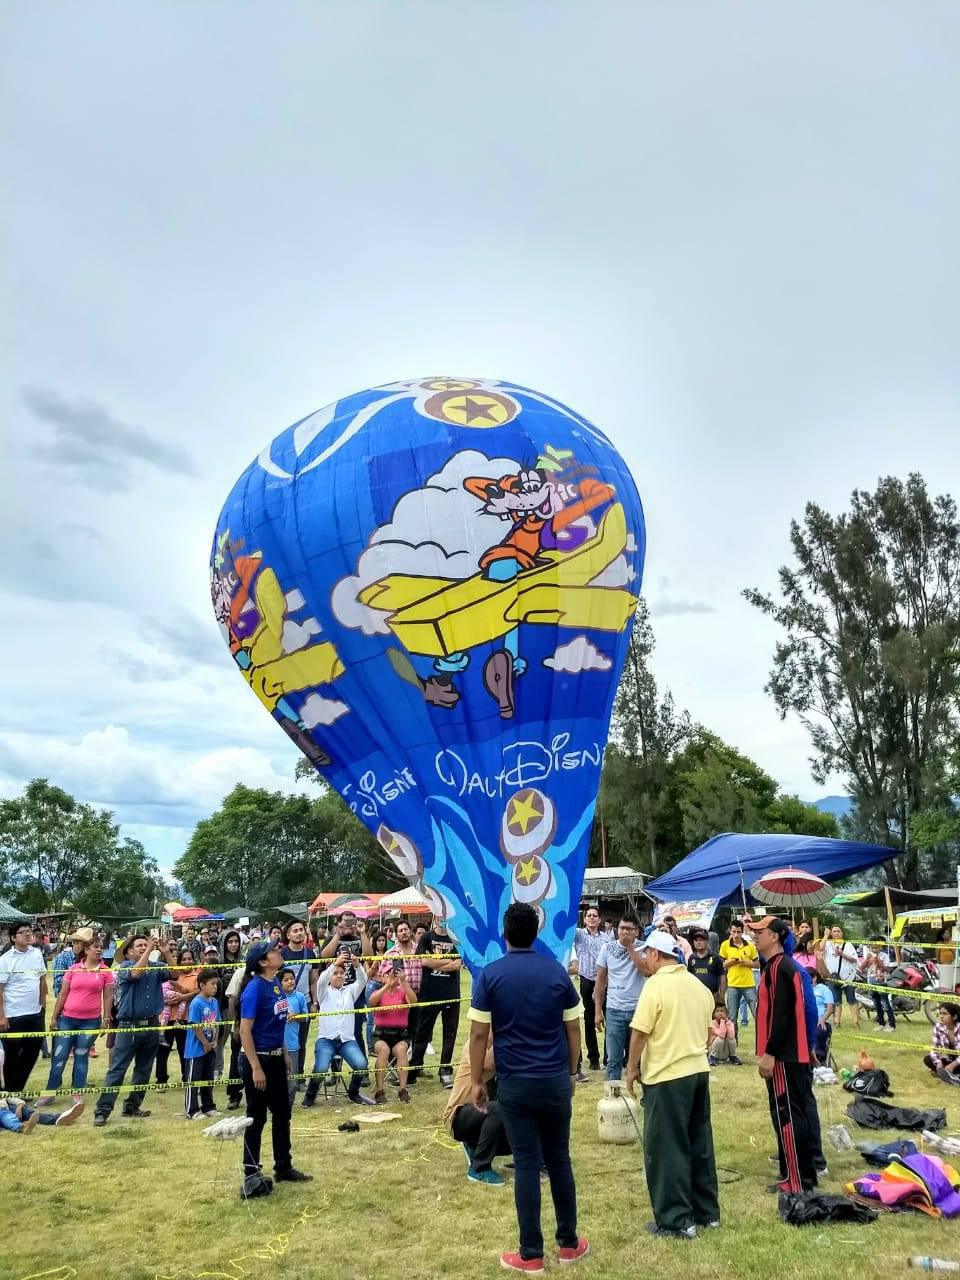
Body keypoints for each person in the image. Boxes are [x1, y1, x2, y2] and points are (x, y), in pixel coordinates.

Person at [468, 903, 587, 1273]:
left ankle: (530, 1254)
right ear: (536, 932)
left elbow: (477, 1034)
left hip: (515, 1083)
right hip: (553, 1081)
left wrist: (475, 1081)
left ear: (504, 933)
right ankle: (568, 1243)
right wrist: (571, 1071)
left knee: (526, 1164)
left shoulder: (490, 975)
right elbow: (573, 1031)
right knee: (560, 1160)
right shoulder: (556, 973)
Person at [625, 928, 718, 1239]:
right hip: (698, 1071)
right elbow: (709, 1034)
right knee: (699, 1142)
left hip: (666, 1077)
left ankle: (677, 1220)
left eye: (646, 954)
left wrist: (630, 1067)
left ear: (654, 954)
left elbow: (639, 1032)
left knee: (667, 1149)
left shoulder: (655, 986)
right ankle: (707, 1213)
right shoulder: (698, 985)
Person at [238, 941, 312, 1198]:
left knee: (282, 1113)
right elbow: (244, 1031)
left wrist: (283, 1052)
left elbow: (277, 1022)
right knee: (256, 1118)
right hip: (257, 1059)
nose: (278, 952)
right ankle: (251, 1173)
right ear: (262, 961)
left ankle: (283, 1166)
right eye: (273, 951)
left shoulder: (276, 985)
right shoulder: (254, 989)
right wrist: (256, 1067)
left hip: (276, 1058)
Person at [751, 914, 816, 1193]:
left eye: (759, 931)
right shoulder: (780, 966)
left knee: (787, 1116)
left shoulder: (780, 967)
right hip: (793, 1053)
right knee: (793, 1113)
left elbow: (781, 1015)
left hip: (784, 1056)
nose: (754, 936)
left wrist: (770, 1053)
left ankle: (796, 1179)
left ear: (775, 935)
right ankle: (800, 1175)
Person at [92, 935, 175, 1126]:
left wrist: (166, 953)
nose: (144, 947)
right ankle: (102, 1110)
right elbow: (137, 973)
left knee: (144, 1070)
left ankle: (132, 1106)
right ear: (129, 952)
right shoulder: (125, 967)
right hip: (129, 1026)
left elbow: (176, 974)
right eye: (139, 946)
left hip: (152, 1025)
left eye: (146, 945)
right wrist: (149, 951)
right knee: (117, 1070)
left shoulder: (155, 967)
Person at [39, 932, 114, 1103]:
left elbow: (108, 996)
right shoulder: (73, 969)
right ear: (86, 950)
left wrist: (106, 1019)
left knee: (81, 1056)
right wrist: (54, 1017)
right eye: (96, 947)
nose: (99, 950)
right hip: (67, 1019)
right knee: (60, 1055)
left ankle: (77, 1092)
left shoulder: (105, 971)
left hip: (90, 1021)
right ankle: (50, 1091)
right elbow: (63, 994)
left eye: (101, 947)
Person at [301, 961, 374, 1106]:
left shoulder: (351, 991)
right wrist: (335, 964)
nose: (339, 976)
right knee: (321, 1068)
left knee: (362, 1065)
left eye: (342, 973)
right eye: (335, 973)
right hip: (326, 1040)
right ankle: (310, 1095)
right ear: (330, 976)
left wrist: (357, 965)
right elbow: (321, 979)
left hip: (347, 1041)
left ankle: (353, 1093)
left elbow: (363, 980)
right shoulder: (323, 992)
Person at [444, 1036, 511, 1186]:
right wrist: (508, 1034)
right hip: (458, 1116)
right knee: (500, 1109)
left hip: (480, 1115)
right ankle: (479, 1169)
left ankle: (475, 1146)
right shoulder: (473, 1045)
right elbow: (488, 1063)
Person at [410, 917, 462, 1087]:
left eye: (445, 916)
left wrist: (435, 964)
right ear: (435, 918)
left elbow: (458, 964)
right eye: (439, 916)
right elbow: (423, 961)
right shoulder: (426, 937)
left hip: (451, 993)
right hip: (429, 994)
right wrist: (447, 961)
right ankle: (415, 1068)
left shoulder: (456, 938)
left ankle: (445, 1070)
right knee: (422, 1032)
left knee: (450, 1033)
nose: (442, 919)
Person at [594, 914, 646, 1081]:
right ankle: (613, 1097)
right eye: (622, 928)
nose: (624, 932)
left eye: (629, 929)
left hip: (638, 1010)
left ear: (637, 932)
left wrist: (630, 947)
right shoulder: (607, 948)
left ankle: (646, 1097)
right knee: (613, 1059)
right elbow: (600, 981)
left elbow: (645, 971)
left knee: (640, 1060)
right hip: (614, 1009)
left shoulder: (644, 948)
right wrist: (597, 1012)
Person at [0, 922, 48, 1092]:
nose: (28, 934)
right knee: (12, 1057)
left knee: (31, 1054)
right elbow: (0, 989)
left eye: (29, 931)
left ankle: (16, 1091)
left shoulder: (36, 953)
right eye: (23, 932)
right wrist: (2, 1016)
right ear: (14, 938)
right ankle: (10, 1093)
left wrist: (43, 1004)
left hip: (35, 1014)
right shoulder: (5, 960)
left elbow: (42, 979)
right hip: (13, 1015)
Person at [369, 960, 418, 1103]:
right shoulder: (378, 992)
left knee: (402, 1050)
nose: (392, 977)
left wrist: (404, 981)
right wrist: (387, 986)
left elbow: (414, 1002)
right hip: (381, 1034)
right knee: (383, 1050)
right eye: (389, 974)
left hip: (400, 1034)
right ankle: (379, 1091)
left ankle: (403, 1090)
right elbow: (371, 1002)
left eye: (395, 974)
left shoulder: (403, 991)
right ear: (382, 977)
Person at [320, 911, 372, 1048]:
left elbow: (369, 956)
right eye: (346, 921)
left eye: (352, 921)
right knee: (335, 1031)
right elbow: (323, 956)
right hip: (334, 990)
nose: (349, 925)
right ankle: (336, 1065)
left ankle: (361, 1067)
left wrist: (362, 933)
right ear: (339, 922)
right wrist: (338, 934)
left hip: (355, 990)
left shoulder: (359, 937)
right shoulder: (332, 938)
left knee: (356, 1031)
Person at [279, 921, 318, 1089]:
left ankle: (299, 1077)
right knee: (283, 1041)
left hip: (305, 1003)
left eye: (301, 930)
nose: (299, 933)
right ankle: (283, 1075)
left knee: (301, 1040)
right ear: (288, 935)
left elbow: (314, 980)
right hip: (283, 1004)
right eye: (295, 931)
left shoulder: (311, 954)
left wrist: (315, 1002)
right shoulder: (281, 955)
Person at [155, 946, 198, 1086]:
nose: (187, 962)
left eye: (189, 959)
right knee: (162, 1050)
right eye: (184, 959)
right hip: (166, 1018)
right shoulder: (173, 974)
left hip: (185, 1018)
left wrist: (182, 997)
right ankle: (161, 1080)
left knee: (184, 1049)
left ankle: (186, 1078)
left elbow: (198, 993)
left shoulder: (197, 976)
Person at [183, 967, 221, 1119]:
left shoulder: (215, 1002)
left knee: (208, 1079)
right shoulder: (196, 1003)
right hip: (195, 1049)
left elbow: (217, 1022)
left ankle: (208, 1106)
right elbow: (195, 1025)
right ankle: (191, 1110)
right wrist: (205, 1042)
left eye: (216, 984)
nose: (215, 987)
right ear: (202, 985)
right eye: (212, 984)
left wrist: (215, 1040)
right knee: (193, 1080)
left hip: (210, 1047)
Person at [572, 907, 606, 1073]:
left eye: (595, 916)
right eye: (589, 916)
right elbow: (569, 923)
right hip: (586, 980)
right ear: (584, 919)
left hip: (604, 981)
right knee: (589, 1018)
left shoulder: (606, 938)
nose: (592, 918)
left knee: (608, 1019)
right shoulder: (578, 935)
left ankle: (609, 1056)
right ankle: (594, 1058)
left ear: (600, 920)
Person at [719, 921, 758, 1035]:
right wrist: (731, 962)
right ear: (730, 932)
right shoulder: (725, 945)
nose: (736, 935)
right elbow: (722, 965)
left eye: (738, 932)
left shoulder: (750, 945)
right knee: (732, 1017)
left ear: (742, 932)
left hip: (749, 984)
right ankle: (733, 1042)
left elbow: (757, 964)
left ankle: (762, 1040)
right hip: (732, 985)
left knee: (757, 1013)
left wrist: (746, 963)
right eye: (733, 932)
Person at [279, 967, 309, 1105]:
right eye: (286, 980)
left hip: (292, 1045)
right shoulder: (276, 997)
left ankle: (288, 1104)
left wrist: (296, 1016)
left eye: (292, 979)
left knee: (292, 1079)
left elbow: (305, 1017)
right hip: (276, 1045)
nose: (290, 982)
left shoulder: (300, 997)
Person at [822, 925, 861, 1028]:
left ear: (842, 933)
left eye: (838, 931)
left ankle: (856, 1022)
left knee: (851, 999)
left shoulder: (848, 945)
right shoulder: (828, 944)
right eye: (834, 931)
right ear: (831, 933)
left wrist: (841, 954)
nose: (836, 933)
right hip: (833, 978)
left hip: (849, 977)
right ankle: (837, 1023)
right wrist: (825, 936)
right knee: (836, 1000)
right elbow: (820, 948)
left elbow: (854, 959)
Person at [0, 1095, 85, 1133]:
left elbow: (14, 1099)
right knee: (9, 1120)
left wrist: (19, 1107)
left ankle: (60, 1118)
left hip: (5, 1110)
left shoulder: (2, 1093)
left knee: (24, 1112)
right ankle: (21, 1127)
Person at [364, 932, 389, 1051]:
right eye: (379, 940)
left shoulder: (390, 954)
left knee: (384, 1016)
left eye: (383, 940)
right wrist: (375, 963)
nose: (381, 943)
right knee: (371, 1018)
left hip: (385, 986)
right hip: (373, 985)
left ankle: (382, 1044)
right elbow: (366, 975)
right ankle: (370, 1047)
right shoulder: (369, 955)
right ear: (374, 942)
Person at [863, 939, 896, 1032]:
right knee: (876, 1003)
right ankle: (881, 1023)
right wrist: (867, 959)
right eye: (872, 948)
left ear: (880, 947)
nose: (874, 950)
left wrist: (877, 960)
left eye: (876, 948)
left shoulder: (884, 956)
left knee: (885, 1003)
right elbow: (862, 967)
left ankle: (892, 1024)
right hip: (871, 981)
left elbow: (886, 969)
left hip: (881, 982)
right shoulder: (868, 955)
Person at [924, 1003, 960, 1084]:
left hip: (958, 1061)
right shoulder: (938, 1027)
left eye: (945, 1014)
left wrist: (953, 1065)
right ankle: (949, 1075)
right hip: (951, 1059)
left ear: (954, 1017)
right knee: (928, 1059)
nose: (941, 1016)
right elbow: (934, 1049)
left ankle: (950, 1075)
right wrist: (938, 1063)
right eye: (940, 1013)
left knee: (951, 1066)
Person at [687, 930, 727, 1004]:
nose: (698, 942)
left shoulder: (715, 958)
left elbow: (722, 976)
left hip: (712, 995)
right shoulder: (691, 958)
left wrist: (721, 995)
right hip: (696, 996)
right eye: (696, 940)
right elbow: (689, 976)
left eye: (701, 940)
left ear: (707, 942)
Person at [811, 978, 835, 1064]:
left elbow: (830, 1008)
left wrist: (822, 1019)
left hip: (821, 1020)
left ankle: (819, 1058)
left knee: (819, 1030)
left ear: (815, 977)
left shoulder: (823, 989)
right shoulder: (802, 988)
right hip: (807, 1021)